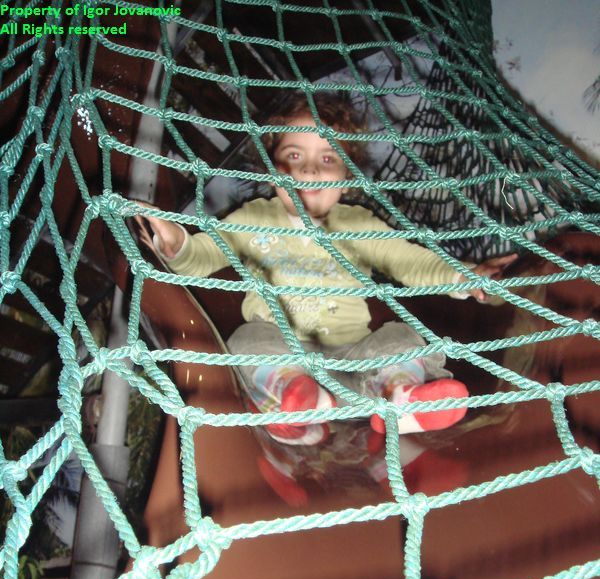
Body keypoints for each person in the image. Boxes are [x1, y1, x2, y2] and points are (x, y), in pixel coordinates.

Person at [135, 92, 516, 446]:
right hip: (284, 353)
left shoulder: (358, 224)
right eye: (294, 156)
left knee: (401, 335)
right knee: (245, 341)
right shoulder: (255, 218)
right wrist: (176, 243)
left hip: (355, 362)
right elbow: (205, 255)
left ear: (346, 180)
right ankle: (293, 403)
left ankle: (401, 396)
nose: (310, 170)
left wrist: (462, 276)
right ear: (271, 171)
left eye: (328, 159)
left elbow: (410, 261)